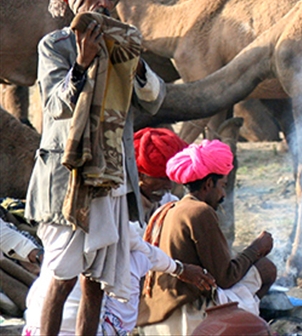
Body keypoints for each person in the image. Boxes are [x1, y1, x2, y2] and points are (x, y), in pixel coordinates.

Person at [25, 0, 166, 336]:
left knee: (97, 282)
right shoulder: (56, 46)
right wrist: (82, 65)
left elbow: (155, 98)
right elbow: (55, 106)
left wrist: (134, 63)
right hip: (68, 178)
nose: (103, 3)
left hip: (111, 177)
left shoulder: (121, 44)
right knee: (63, 275)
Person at [23, 125, 212, 336]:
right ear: (138, 174)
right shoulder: (108, 201)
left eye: (171, 179)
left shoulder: (161, 200)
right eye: (160, 178)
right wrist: (179, 269)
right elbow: (135, 243)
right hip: (68, 317)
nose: (168, 185)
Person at [138, 140, 276, 335]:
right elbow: (225, 278)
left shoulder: (167, 209)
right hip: (188, 318)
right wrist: (256, 249)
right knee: (266, 268)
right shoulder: (200, 212)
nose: (223, 194)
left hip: (151, 319)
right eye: (223, 186)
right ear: (209, 183)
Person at [132, 128, 188, 222]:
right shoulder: (118, 207)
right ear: (140, 175)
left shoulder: (170, 203)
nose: (169, 186)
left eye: (170, 179)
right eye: (162, 179)